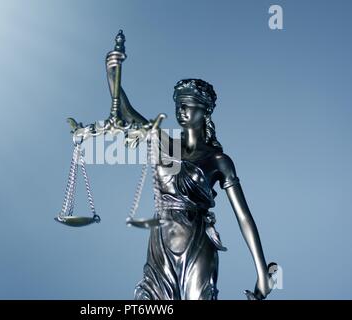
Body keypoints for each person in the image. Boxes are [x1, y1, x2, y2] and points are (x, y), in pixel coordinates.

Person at [105, 50, 274, 300]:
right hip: (159, 244)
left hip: (197, 244)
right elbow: (127, 112)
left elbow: (244, 218)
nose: (181, 110)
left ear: (205, 112)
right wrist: (112, 73)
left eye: (188, 106)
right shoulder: (165, 144)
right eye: (178, 105)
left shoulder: (219, 161)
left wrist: (261, 273)